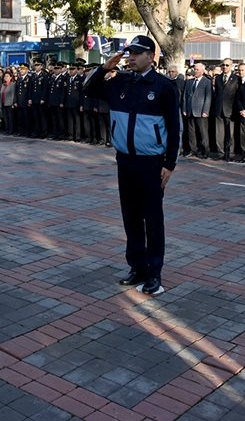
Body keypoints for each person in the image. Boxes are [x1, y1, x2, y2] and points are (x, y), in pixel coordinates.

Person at [83, 35, 180, 296]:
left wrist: (169, 164)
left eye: (137, 53)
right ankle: (137, 266)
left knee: (152, 219)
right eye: (130, 53)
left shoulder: (163, 87)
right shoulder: (120, 82)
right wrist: (104, 68)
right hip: (125, 160)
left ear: (151, 56)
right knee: (131, 217)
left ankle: (154, 273)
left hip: (151, 163)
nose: (131, 57)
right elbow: (88, 89)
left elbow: (174, 128)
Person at [181, 62, 212, 158]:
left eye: (197, 69)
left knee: (203, 133)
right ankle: (192, 150)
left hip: (201, 111)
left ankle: (205, 151)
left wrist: (205, 111)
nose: (195, 71)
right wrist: (185, 108)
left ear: (202, 71)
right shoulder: (190, 82)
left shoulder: (207, 82)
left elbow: (208, 97)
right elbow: (185, 96)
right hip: (190, 111)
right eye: (195, 69)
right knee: (191, 133)